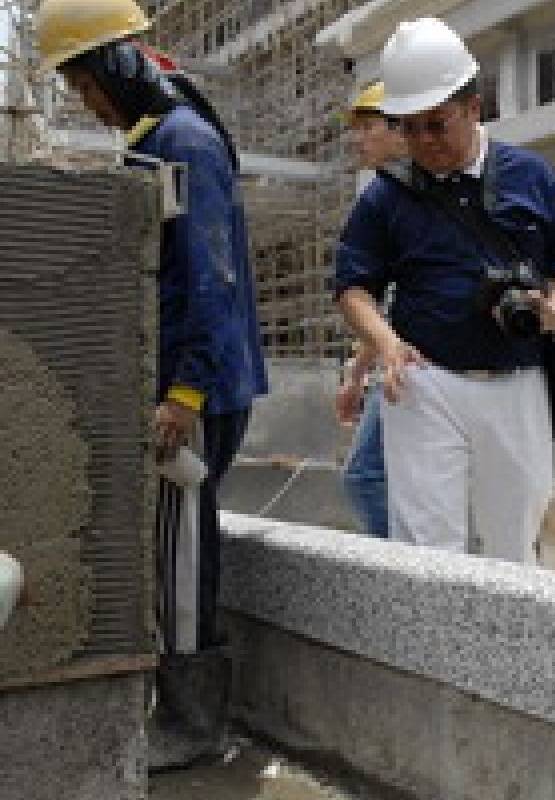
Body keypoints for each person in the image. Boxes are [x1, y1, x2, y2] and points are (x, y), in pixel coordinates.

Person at [37, 0, 268, 763]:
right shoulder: (168, 132)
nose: (87, 105)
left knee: (182, 561)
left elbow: (211, 276)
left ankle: (194, 726)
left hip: (192, 392)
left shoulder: (181, 141)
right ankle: (181, 709)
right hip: (191, 384)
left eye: (83, 86)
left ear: (113, 67)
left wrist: (184, 393)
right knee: (178, 550)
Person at [335, 18, 555, 563]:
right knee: (428, 548)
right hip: (427, 381)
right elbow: (353, 287)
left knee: (514, 542)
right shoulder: (385, 198)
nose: (425, 143)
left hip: (518, 379)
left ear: (473, 107)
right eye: (410, 129)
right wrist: (385, 346)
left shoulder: (530, 175)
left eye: (437, 124)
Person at [333, 82, 409, 539]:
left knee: (365, 476)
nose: (358, 139)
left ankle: (405, 567)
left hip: (414, 363)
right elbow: (380, 299)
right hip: (398, 357)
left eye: (368, 127)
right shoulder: (384, 196)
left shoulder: (403, 195)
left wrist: (363, 368)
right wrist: (359, 368)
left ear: (401, 129)